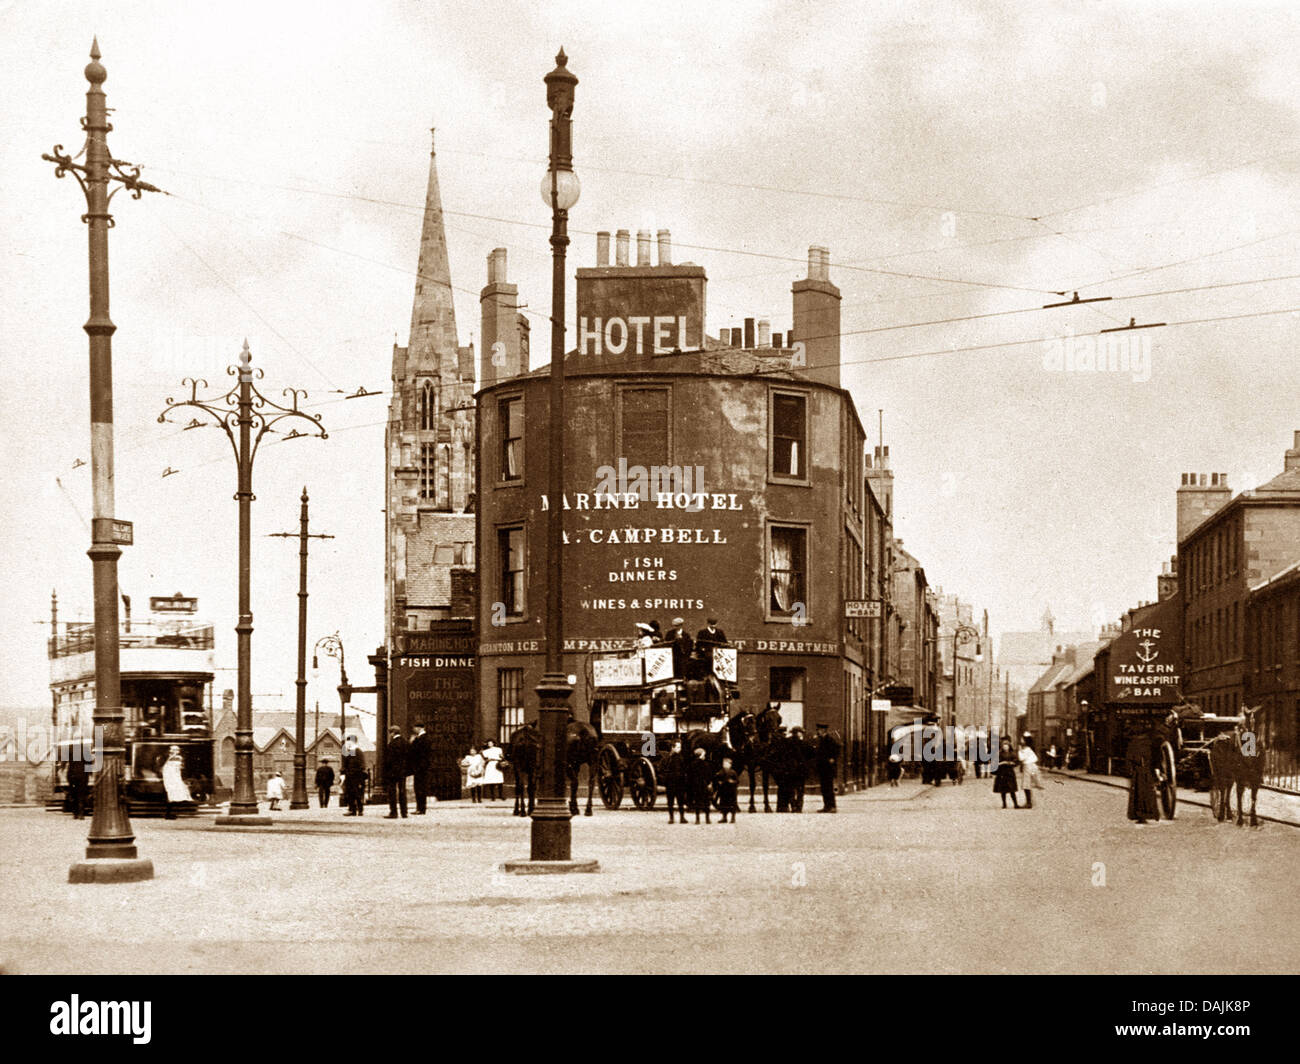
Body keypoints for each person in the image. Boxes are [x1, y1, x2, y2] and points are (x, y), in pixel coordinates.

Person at [1126, 724, 1160, 825]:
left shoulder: (1134, 742)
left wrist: (1130, 771)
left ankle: (1140, 815)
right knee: (1148, 793)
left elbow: (1129, 758)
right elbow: (1154, 757)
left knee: (1138, 794)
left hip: (1138, 772)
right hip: (1147, 771)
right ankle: (1148, 813)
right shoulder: (1149, 743)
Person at [814, 722, 841, 813]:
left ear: (823, 730)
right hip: (823, 768)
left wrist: (832, 758)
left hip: (828, 769)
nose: (817, 732)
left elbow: (837, 749)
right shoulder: (821, 739)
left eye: (819, 730)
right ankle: (827, 806)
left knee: (828, 788)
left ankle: (832, 806)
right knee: (824, 788)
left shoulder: (829, 740)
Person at [383, 726, 410, 819]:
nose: (390, 735)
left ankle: (393, 812)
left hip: (393, 772)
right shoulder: (405, 742)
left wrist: (387, 770)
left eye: (390, 733)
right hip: (402, 771)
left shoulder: (392, 744)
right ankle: (404, 812)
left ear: (393, 733)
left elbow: (389, 760)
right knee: (402, 791)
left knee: (392, 792)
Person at [161, 745, 192, 820]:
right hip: (171, 779)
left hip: (174, 778)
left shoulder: (177, 758)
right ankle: (169, 814)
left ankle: (170, 813)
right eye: (173, 750)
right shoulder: (171, 758)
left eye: (176, 750)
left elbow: (177, 768)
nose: (175, 752)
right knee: (172, 796)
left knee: (174, 796)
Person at [409, 723, 434, 814]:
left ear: (419, 728)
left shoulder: (422, 738)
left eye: (415, 728)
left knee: (420, 788)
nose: (414, 729)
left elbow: (416, 751)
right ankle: (420, 808)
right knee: (420, 788)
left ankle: (421, 808)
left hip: (420, 767)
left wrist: (412, 742)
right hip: (422, 767)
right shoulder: (423, 738)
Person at [341, 734, 366, 815]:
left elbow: (362, 765)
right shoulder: (349, 752)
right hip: (349, 776)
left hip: (357, 777)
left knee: (358, 793)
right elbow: (345, 765)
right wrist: (343, 773)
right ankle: (352, 809)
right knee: (350, 793)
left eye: (349, 741)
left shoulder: (358, 752)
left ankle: (360, 810)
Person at [688, 746, 713, 824]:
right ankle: (707, 819)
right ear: (701, 755)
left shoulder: (692, 764)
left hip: (695, 785)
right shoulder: (706, 764)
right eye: (704, 754)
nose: (705, 756)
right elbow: (709, 775)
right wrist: (709, 783)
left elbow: (690, 776)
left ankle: (697, 819)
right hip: (704, 784)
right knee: (706, 802)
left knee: (697, 802)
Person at [65, 742, 89, 820]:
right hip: (83, 775)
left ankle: (75, 813)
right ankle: (81, 814)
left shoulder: (70, 749)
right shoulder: (85, 749)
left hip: (72, 775)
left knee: (74, 793)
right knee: (82, 794)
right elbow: (89, 762)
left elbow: (65, 761)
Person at [993, 739, 1019, 808]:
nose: (1005, 747)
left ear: (1009, 746)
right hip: (1002, 773)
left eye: (1007, 746)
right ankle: (1004, 804)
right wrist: (1002, 763)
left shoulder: (1012, 753)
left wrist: (1011, 763)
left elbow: (1016, 762)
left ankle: (1015, 804)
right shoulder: (999, 754)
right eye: (1004, 746)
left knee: (1012, 789)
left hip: (1010, 772)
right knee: (1003, 790)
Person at [714, 755, 740, 823]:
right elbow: (717, 778)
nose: (724, 765)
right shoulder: (721, 772)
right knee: (723, 805)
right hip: (723, 791)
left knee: (732, 805)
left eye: (726, 764)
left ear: (730, 765)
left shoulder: (733, 772)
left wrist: (733, 782)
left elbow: (737, 781)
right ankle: (724, 817)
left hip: (731, 791)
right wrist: (719, 782)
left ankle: (732, 818)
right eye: (724, 764)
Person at [1018, 734, 1041, 809]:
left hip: (1028, 766)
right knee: (1027, 785)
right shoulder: (1029, 749)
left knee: (1026, 785)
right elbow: (1035, 758)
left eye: (1022, 739)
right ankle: (1029, 801)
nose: (1021, 740)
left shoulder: (1026, 749)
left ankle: (1029, 803)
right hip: (1030, 766)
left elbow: (1021, 758)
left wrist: (1019, 750)